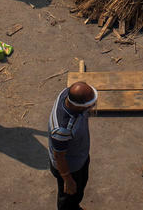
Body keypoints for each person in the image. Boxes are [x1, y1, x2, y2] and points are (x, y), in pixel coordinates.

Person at [49, 81, 97, 210]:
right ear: (80, 107)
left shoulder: (65, 94)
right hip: (70, 168)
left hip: (79, 156)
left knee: (78, 191)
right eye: (90, 104)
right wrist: (68, 179)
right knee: (69, 198)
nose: (93, 105)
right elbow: (59, 156)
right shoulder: (62, 129)